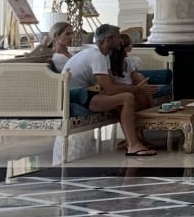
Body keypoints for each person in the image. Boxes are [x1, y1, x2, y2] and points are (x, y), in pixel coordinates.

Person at [63, 25, 156, 157]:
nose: (121, 41)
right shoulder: (97, 56)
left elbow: (111, 83)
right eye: (118, 37)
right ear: (108, 40)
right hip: (74, 96)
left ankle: (133, 141)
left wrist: (136, 88)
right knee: (127, 98)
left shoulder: (103, 55)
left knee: (126, 96)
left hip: (85, 94)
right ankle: (133, 144)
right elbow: (110, 89)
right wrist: (135, 88)